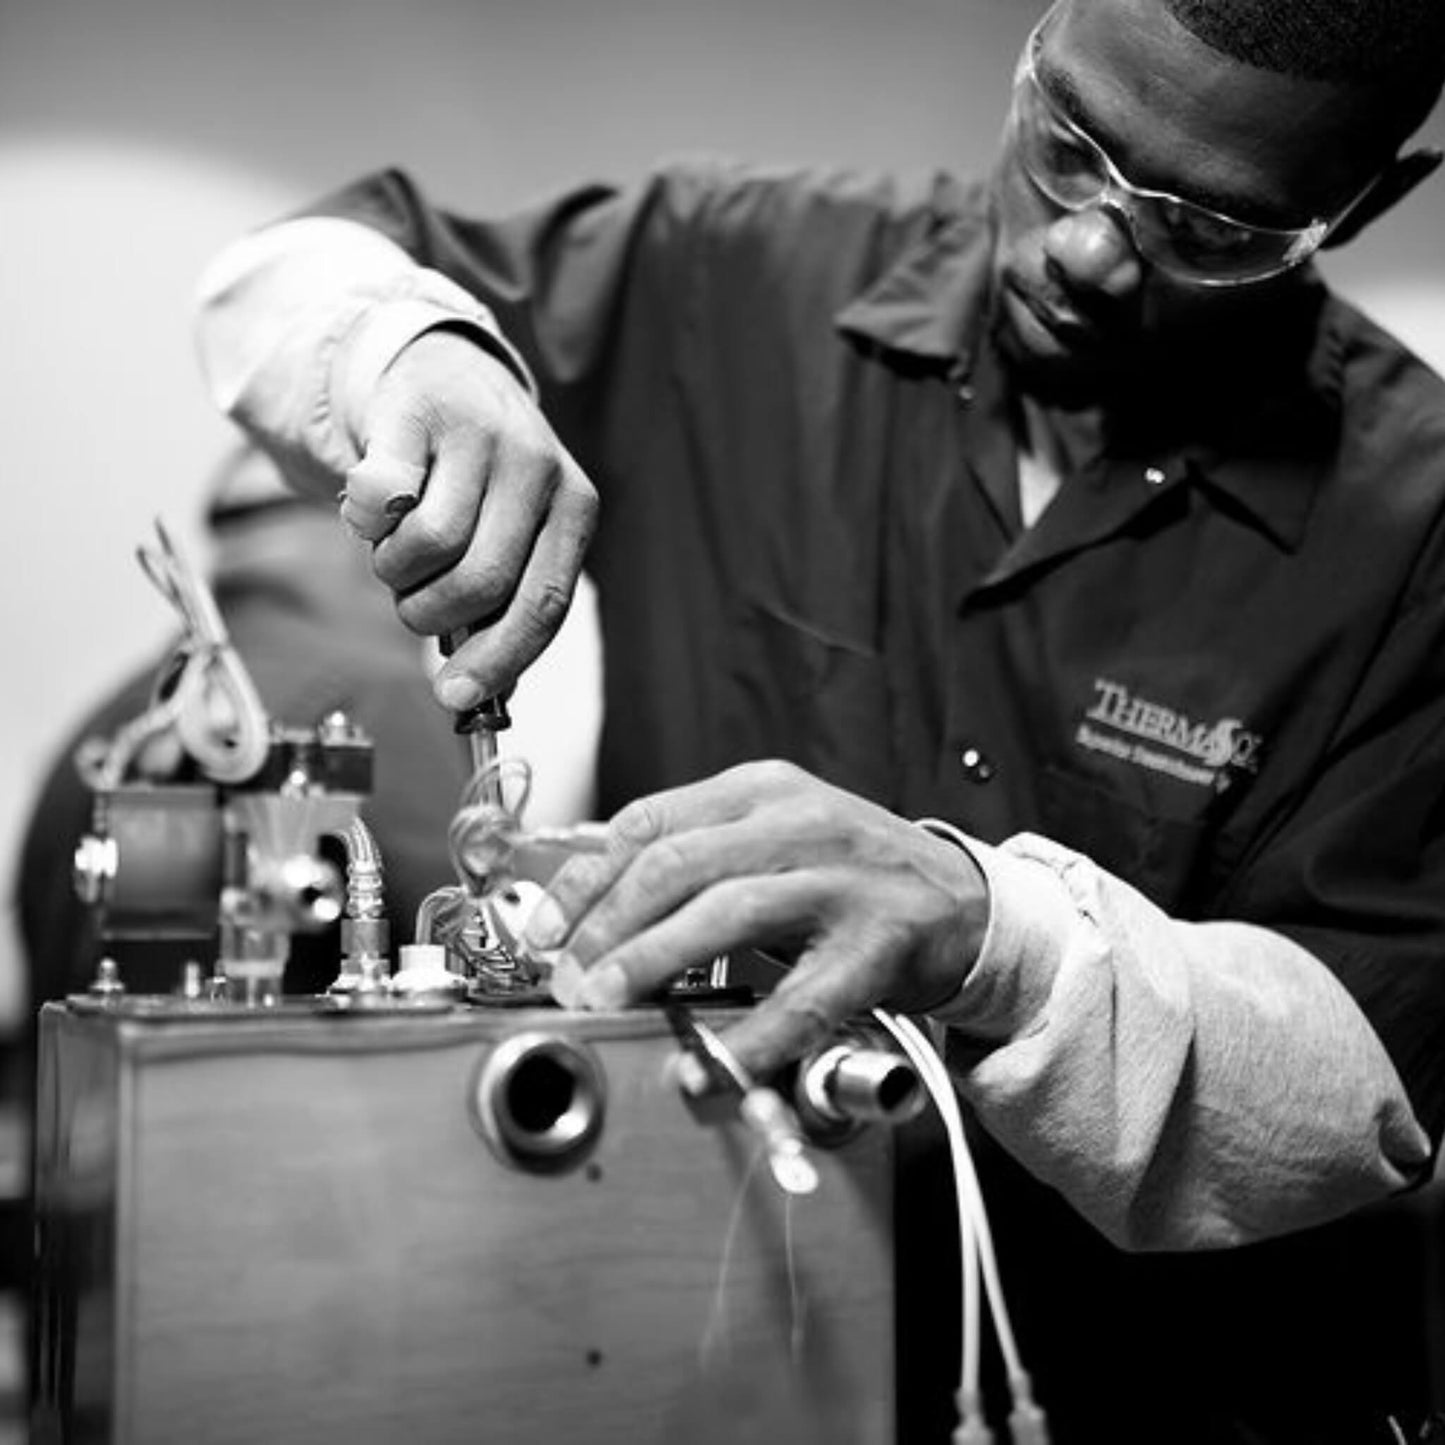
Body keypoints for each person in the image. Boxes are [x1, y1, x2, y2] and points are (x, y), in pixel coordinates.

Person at [191, 0, 1445, 1438]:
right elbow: (270, 278)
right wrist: (408, 355)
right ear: (1036, 41)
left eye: (1217, 229)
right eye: (1069, 144)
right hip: (715, 1354)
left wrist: (995, 938)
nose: (1089, 252)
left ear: (1368, 203)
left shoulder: (1413, 529)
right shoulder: (724, 270)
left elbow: (1368, 1091)